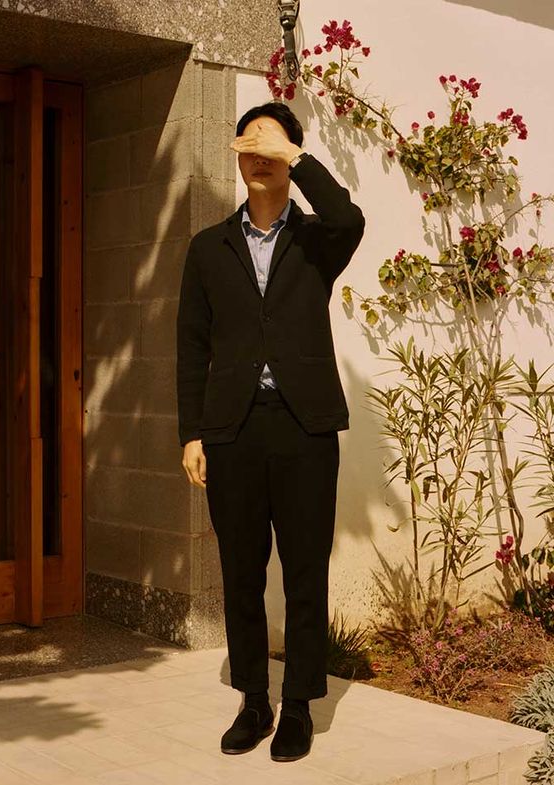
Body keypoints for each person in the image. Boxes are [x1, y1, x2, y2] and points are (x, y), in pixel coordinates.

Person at [174, 101, 364, 762]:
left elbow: (350, 215)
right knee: (241, 570)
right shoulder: (207, 248)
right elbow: (190, 345)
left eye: (272, 146)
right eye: (248, 143)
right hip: (232, 430)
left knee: (306, 570)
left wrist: (295, 154)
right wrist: (192, 432)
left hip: (306, 427)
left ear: (289, 156)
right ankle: (254, 699)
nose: (258, 155)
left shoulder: (318, 240)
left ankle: (300, 706)